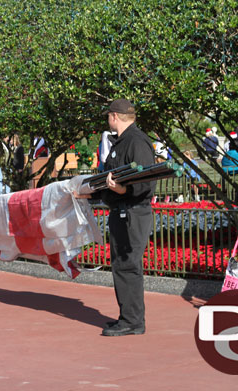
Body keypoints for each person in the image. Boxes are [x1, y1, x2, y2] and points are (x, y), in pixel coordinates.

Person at [75, 99, 155, 336]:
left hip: (133, 212)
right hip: (121, 211)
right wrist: (86, 194)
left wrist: (124, 191)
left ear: (115, 116)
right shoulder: (121, 142)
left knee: (128, 265)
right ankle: (127, 317)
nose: (107, 119)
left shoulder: (136, 142)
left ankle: (132, 321)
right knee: (121, 265)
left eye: (108, 115)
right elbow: (107, 178)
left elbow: (145, 182)